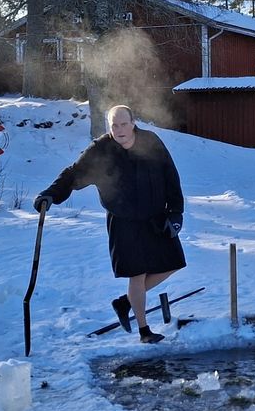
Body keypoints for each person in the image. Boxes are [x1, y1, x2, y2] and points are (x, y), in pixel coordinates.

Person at [34, 104, 185, 343]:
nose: (119, 129)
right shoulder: (101, 150)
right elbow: (74, 173)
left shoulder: (151, 142)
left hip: (155, 217)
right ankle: (144, 331)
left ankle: (126, 302)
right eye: (114, 125)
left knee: (174, 262)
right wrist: (51, 194)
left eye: (124, 124)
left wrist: (176, 213)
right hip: (123, 221)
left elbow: (170, 177)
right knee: (137, 275)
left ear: (133, 122)